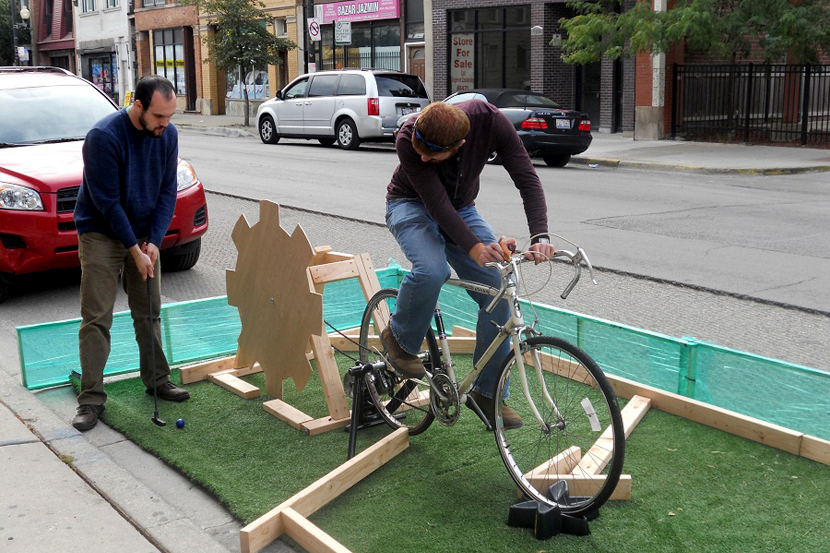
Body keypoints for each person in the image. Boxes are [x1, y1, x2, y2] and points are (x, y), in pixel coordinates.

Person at [382, 100, 556, 430]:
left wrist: (540, 235)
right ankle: (399, 340)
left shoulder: (494, 124)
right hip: (409, 204)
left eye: (431, 155)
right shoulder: (408, 137)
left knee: (499, 288)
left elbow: (527, 178)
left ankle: (486, 393)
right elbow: (435, 202)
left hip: (461, 209)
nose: (422, 158)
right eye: (421, 151)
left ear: (460, 145)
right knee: (432, 270)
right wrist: (474, 247)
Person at [71, 75, 190, 432]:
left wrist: (154, 241)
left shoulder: (167, 135)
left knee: (149, 311)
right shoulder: (103, 137)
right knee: (97, 317)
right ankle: (91, 399)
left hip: (142, 232)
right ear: (137, 106)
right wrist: (132, 250)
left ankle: (157, 380)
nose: (164, 124)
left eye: (170, 117)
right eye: (159, 117)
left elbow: (168, 190)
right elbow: (106, 203)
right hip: (101, 233)